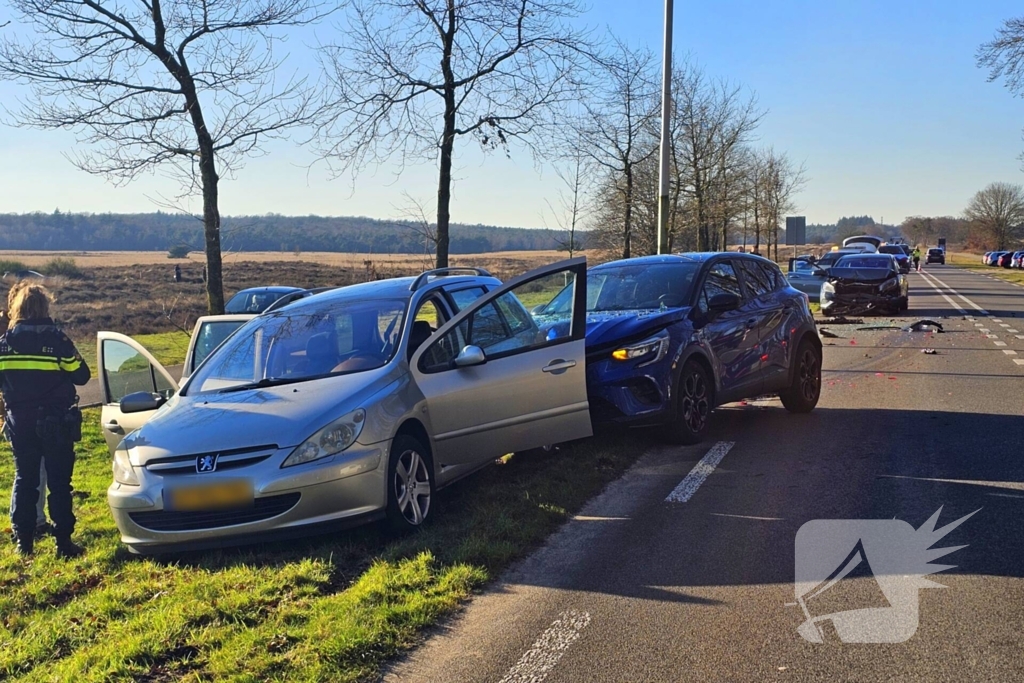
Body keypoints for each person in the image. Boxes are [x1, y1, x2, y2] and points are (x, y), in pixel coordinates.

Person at [0, 283, 90, 558]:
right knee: (59, 482)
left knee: (26, 479)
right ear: (45, 307)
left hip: (20, 423)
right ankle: (63, 543)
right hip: (56, 423)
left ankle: (23, 542)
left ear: (17, 309)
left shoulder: (5, 344)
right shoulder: (58, 341)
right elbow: (82, 375)